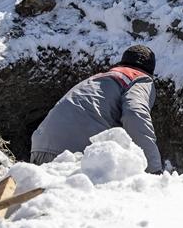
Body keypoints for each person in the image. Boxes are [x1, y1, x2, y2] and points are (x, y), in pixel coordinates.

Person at [29, 44, 161, 173]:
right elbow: (134, 114)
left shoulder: (100, 78)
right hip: (77, 151)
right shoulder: (141, 79)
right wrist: (153, 169)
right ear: (150, 72)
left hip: (39, 147)